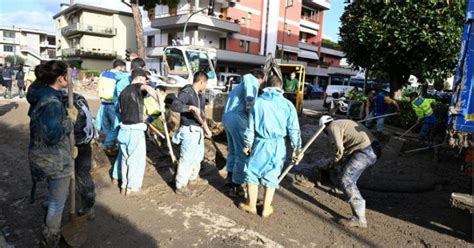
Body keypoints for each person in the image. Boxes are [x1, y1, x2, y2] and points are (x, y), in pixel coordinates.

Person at [26, 60, 77, 246]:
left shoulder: (39, 94)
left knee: (53, 191)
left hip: (39, 155)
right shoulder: (53, 103)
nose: (69, 80)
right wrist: (70, 121)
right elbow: (53, 135)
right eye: (67, 76)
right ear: (60, 78)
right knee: (58, 202)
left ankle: (50, 207)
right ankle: (51, 238)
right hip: (54, 159)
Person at [239, 75, 302, 218]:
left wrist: (247, 144)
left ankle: (251, 205)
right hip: (279, 145)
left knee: (252, 173)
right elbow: (294, 129)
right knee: (272, 175)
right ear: (280, 87)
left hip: (261, 143)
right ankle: (266, 208)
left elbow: (250, 128)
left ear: (266, 86)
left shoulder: (257, 103)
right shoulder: (288, 105)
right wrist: (297, 148)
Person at [319, 115, 382, 228]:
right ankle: (342, 190)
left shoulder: (332, 127)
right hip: (373, 148)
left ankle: (359, 219)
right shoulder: (341, 122)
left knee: (347, 180)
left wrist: (333, 162)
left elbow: (339, 148)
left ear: (324, 128)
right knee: (344, 168)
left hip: (365, 151)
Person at [222, 70, 264, 196]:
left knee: (233, 151)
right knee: (242, 153)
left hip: (227, 118)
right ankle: (236, 185)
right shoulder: (252, 82)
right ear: (260, 78)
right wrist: (252, 115)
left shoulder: (239, 86)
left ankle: (230, 178)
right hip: (238, 119)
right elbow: (250, 102)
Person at [171, 71, 213, 196]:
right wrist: (189, 107)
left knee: (197, 157)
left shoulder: (199, 96)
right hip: (189, 130)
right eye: (205, 83)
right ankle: (180, 185)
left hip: (198, 130)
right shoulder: (187, 92)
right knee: (187, 158)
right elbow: (175, 105)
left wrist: (206, 129)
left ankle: (193, 177)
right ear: (201, 82)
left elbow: (202, 115)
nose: (205, 86)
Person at [117, 68, 158, 195]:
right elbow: (148, 89)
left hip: (123, 129)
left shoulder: (123, 92)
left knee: (125, 160)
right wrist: (158, 98)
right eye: (145, 79)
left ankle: (124, 185)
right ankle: (133, 188)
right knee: (137, 161)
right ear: (140, 78)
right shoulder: (138, 87)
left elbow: (119, 110)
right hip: (135, 130)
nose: (145, 82)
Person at [60, 90, 97, 219]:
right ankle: (89, 206)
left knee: (62, 174)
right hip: (84, 141)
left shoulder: (62, 101)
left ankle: (87, 205)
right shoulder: (79, 98)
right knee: (83, 174)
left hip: (72, 143)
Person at [110, 57, 145, 183]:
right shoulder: (125, 83)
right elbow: (122, 103)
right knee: (126, 152)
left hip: (129, 118)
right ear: (138, 69)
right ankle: (120, 177)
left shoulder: (130, 82)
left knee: (124, 151)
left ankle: (117, 176)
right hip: (125, 119)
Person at [96, 59, 127, 156]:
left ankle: (108, 144)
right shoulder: (118, 75)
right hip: (112, 104)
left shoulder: (103, 74)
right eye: (123, 68)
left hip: (103, 103)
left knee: (106, 126)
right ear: (120, 67)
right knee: (116, 126)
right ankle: (109, 145)